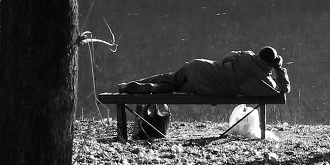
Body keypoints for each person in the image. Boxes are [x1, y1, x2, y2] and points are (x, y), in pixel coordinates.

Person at [119, 46, 290, 97]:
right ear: (270, 63)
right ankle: (152, 88)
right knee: (175, 89)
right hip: (208, 88)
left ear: (259, 55)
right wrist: (279, 68)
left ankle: (132, 85)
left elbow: (226, 57)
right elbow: (283, 89)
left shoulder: (246, 56)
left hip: (200, 66)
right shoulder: (264, 81)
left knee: (169, 78)